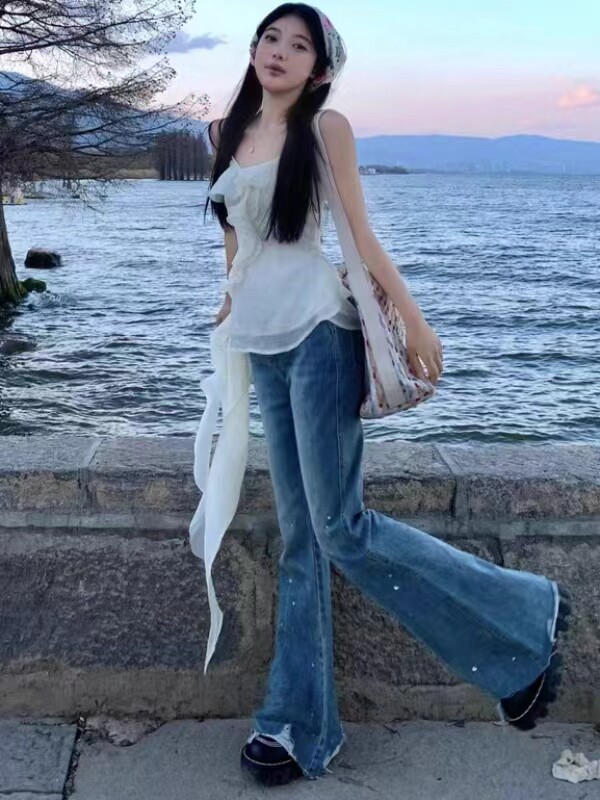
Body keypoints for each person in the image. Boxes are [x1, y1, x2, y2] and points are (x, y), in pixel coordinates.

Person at [200, 2, 571, 787]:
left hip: (318, 336)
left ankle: (524, 616)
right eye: (270, 37)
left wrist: (416, 319)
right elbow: (236, 241)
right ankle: (298, 724)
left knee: (341, 529)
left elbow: (358, 236)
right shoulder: (223, 133)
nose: (278, 51)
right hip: (261, 344)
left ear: (319, 70)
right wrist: (230, 304)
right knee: (302, 540)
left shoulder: (324, 130)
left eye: (299, 45)